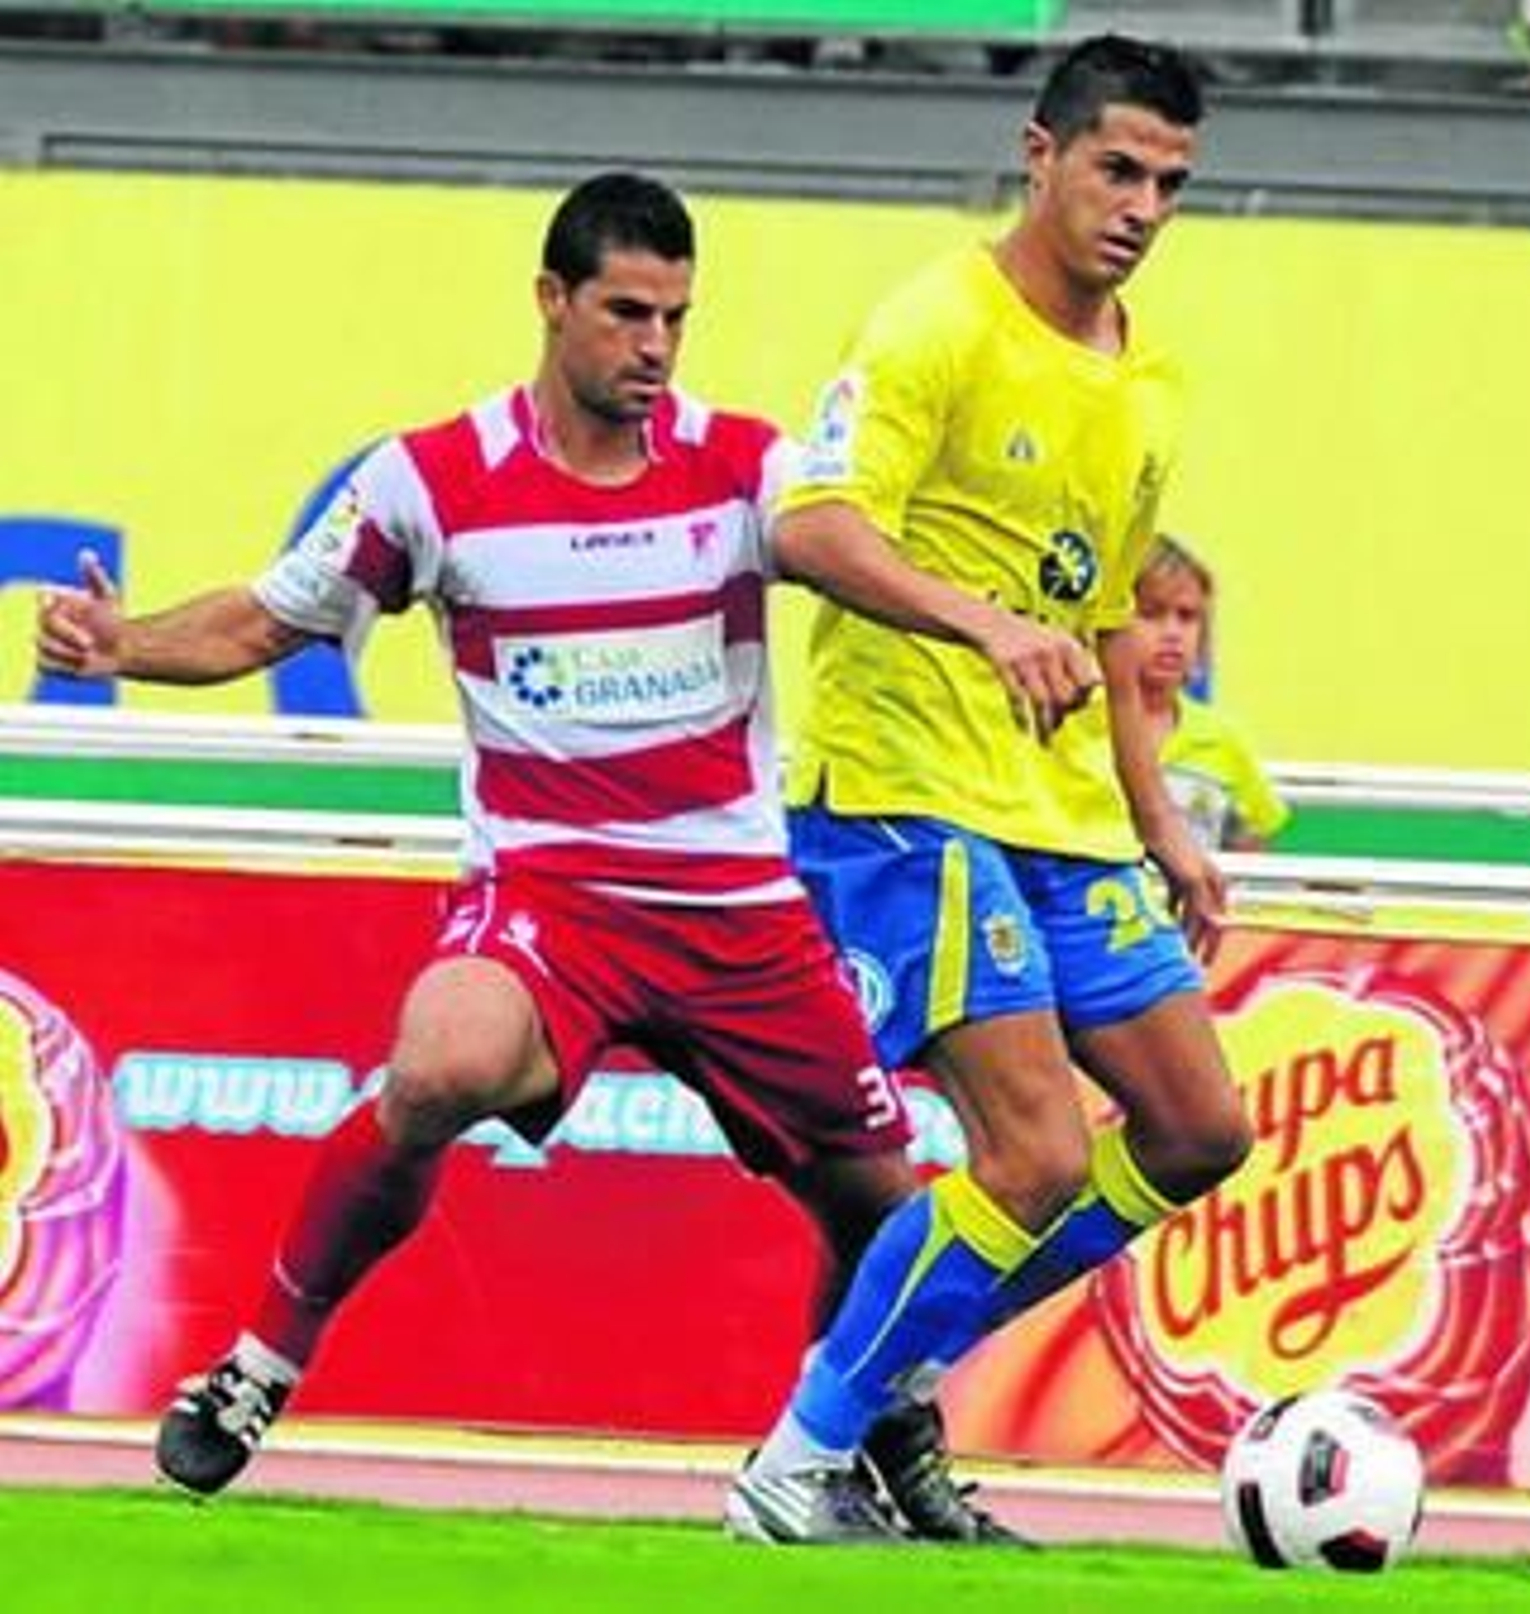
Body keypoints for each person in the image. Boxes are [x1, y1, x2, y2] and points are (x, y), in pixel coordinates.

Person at [35, 171, 1006, 1543]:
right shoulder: (431, 480)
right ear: (552, 300)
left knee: (882, 1202)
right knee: (439, 1064)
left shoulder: (745, 466)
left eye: (676, 317)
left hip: (737, 908)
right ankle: (260, 1366)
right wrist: (122, 644)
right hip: (553, 895)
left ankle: (866, 1441)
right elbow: (264, 620)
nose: (655, 346)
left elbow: (836, 539)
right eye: (627, 312)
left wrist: (985, 618)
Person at [725, 35, 1255, 1545]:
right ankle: (793, 1468)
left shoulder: (1147, 379)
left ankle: (887, 1371)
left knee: (1199, 1128)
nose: (1141, 207)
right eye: (1117, 169)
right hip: (906, 793)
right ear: (1041, 153)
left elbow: (1108, 617)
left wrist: (1161, 823)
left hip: (1061, 813)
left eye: (1169, 183)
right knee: (1030, 1154)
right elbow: (809, 524)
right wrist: (981, 622)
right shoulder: (932, 325)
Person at [1128, 534, 1289, 852]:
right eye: (1151, 614)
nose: (1172, 633)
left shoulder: (1221, 740)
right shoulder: (1082, 730)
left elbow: (1255, 844)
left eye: (1187, 617)